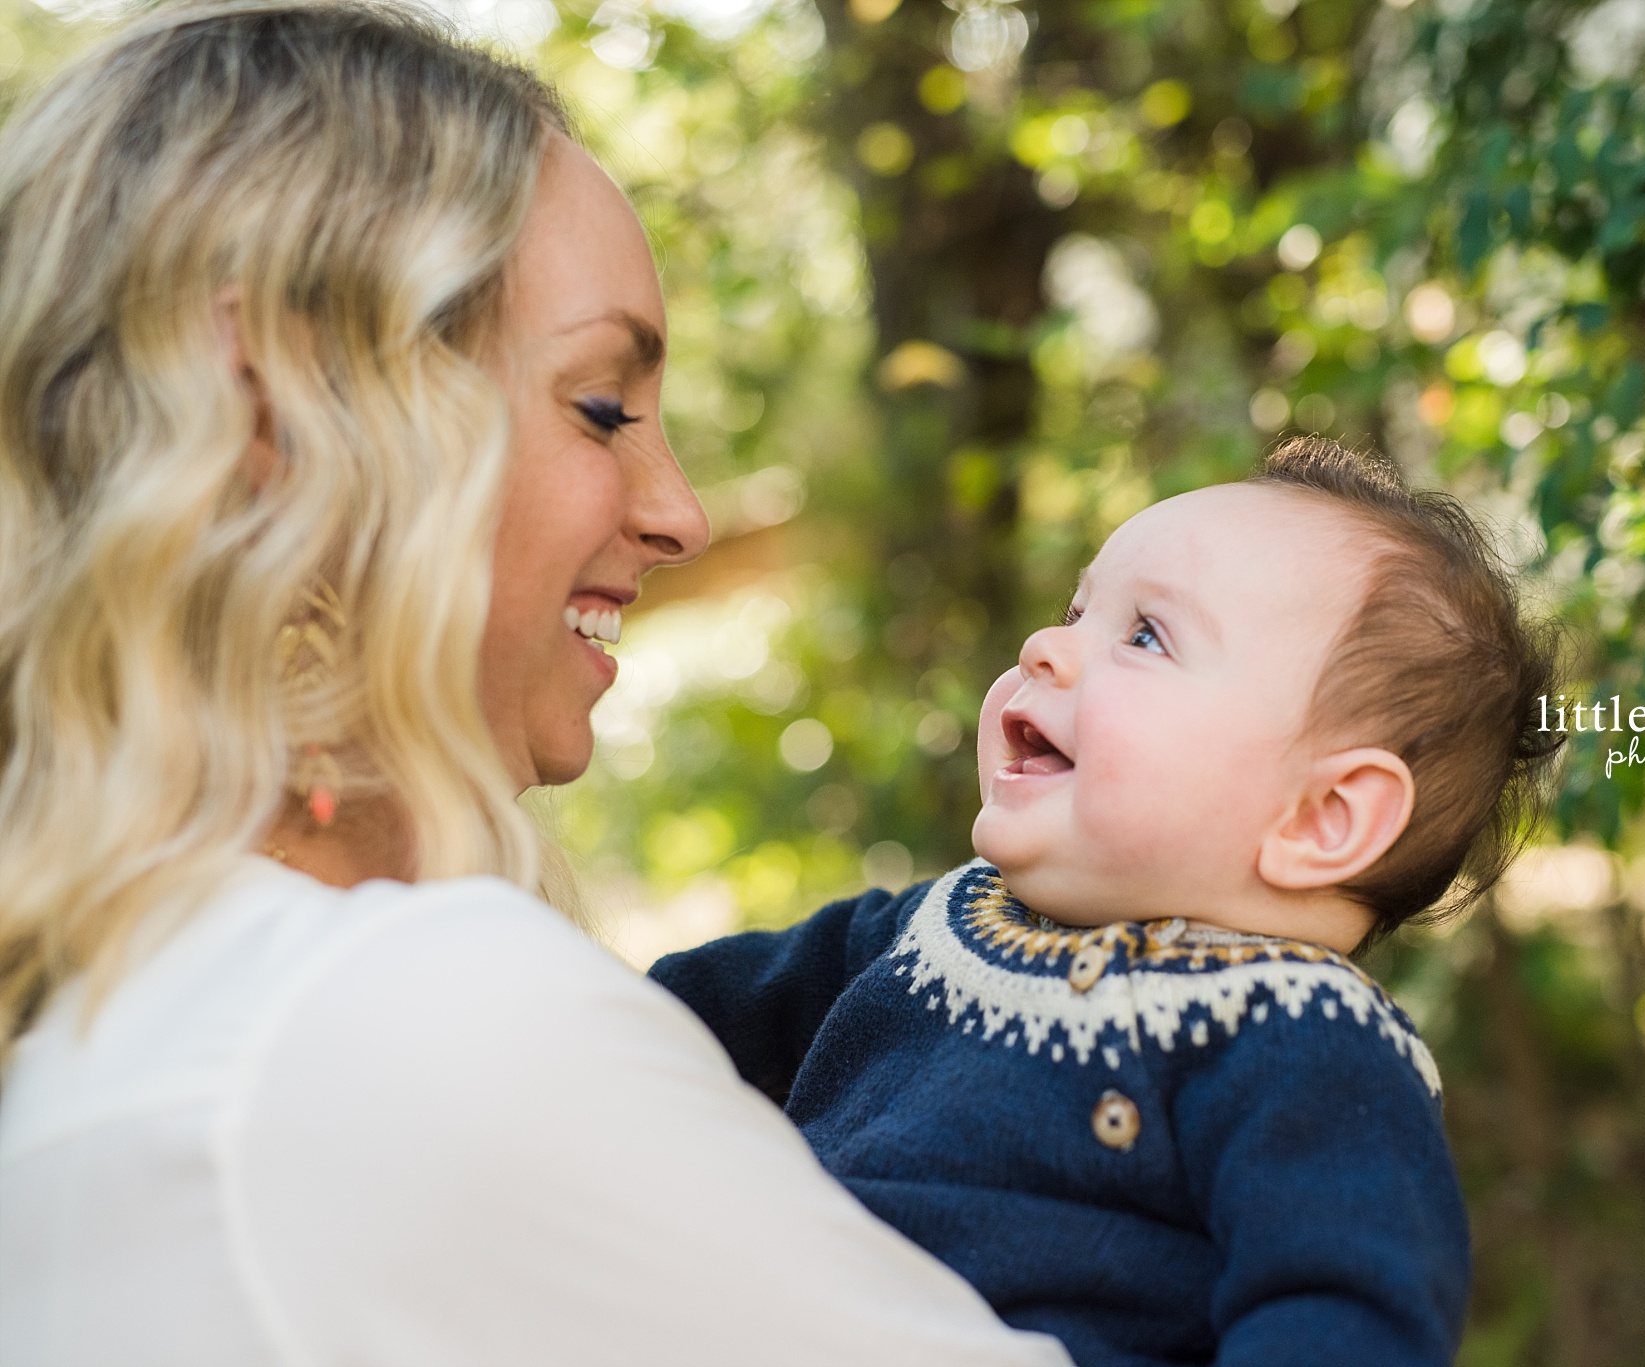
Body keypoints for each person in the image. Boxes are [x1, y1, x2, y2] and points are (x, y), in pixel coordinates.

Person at [0, 5, 1072, 1364]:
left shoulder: (102, 1020)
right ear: (273, 406)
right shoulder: (406, 1024)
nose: (680, 508)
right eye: (603, 408)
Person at [651, 436, 1561, 1367]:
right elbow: (650, 1023)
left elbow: (1348, 1320)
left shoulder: (1307, 1042)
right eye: (1074, 610)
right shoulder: (934, 926)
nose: (1045, 647)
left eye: (1144, 636)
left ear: (1322, 816)